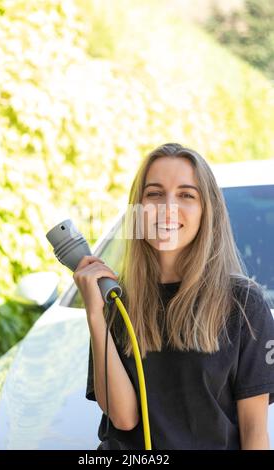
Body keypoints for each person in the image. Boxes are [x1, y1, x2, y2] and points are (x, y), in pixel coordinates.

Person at [74, 142, 274, 450]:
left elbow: (255, 433)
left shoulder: (243, 303)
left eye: (186, 195)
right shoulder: (116, 300)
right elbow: (123, 418)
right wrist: (95, 316)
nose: (167, 207)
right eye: (154, 193)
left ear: (207, 210)